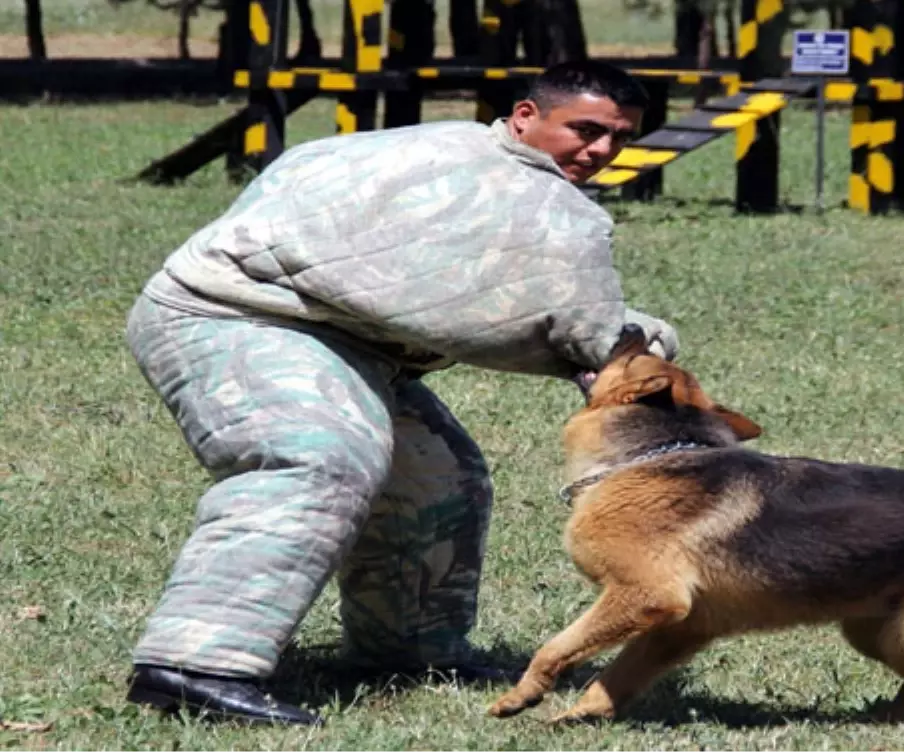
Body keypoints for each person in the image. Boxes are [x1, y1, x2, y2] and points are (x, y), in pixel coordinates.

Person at [122, 60, 679, 727]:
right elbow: (555, 331)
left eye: (620, 137)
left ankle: (409, 650)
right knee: (316, 455)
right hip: (233, 314)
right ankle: (191, 667)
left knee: (440, 479)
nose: (602, 150)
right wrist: (646, 347)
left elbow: (507, 308)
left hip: (350, 340)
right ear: (527, 116)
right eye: (585, 129)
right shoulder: (483, 180)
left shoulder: (515, 183)